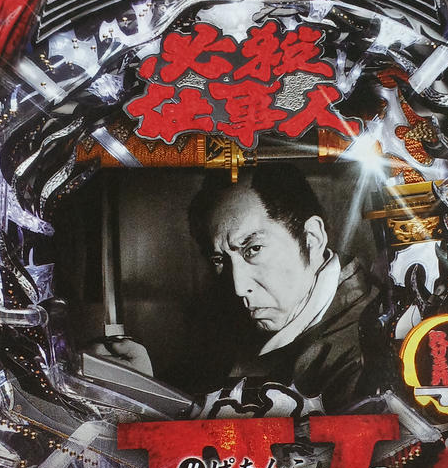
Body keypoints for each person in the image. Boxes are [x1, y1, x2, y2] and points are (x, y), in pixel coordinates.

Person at [108, 163, 383, 418]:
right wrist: (145, 386)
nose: (239, 287)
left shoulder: (371, 350)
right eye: (220, 260)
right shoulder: (238, 315)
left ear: (312, 238)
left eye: (253, 249)